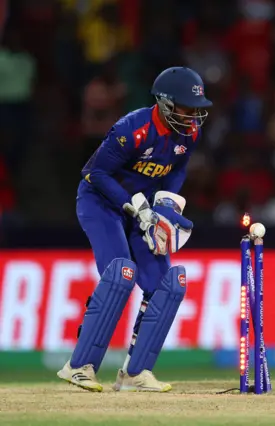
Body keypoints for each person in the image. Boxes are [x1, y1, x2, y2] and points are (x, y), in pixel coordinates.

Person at [57, 67, 212, 392]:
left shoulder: (190, 133)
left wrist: (166, 204)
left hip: (141, 211)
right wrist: (134, 205)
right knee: (121, 274)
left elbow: (176, 170)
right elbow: (94, 174)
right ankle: (78, 366)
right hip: (101, 205)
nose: (193, 115)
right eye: (187, 107)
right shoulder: (133, 128)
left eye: (197, 108)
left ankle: (135, 373)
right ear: (166, 104)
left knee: (166, 285)